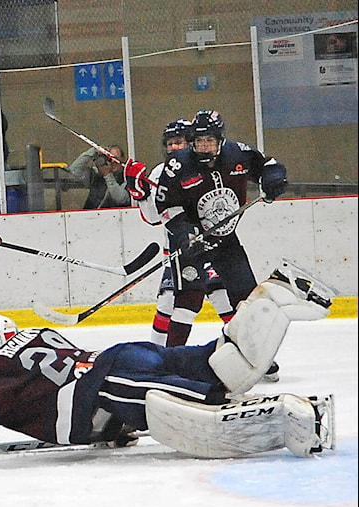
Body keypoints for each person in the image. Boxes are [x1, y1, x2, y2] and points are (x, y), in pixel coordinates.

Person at [0, 261, 335, 461]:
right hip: (121, 354)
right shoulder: (36, 336)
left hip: (104, 385)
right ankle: (270, 297)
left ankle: (264, 415)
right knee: (216, 361)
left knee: (188, 401)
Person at [127, 110, 288, 355]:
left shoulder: (238, 153)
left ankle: (252, 352)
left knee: (245, 297)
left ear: (220, 139)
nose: (204, 147)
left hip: (225, 240)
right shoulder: (177, 165)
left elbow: (267, 165)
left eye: (209, 141)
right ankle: (169, 358)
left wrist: (273, 178)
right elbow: (166, 206)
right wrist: (184, 232)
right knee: (187, 301)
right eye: (199, 142)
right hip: (192, 243)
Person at [126, 119, 235, 346]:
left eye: (180, 142)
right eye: (171, 143)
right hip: (178, 254)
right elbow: (154, 219)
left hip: (212, 249)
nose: (175, 147)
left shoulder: (210, 167)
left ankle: (249, 350)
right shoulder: (159, 172)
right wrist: (141, 194)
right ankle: (157, 355)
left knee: (223, 298)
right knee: (168, 302)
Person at [66, 144, 131, 210]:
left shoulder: (129, 177)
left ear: (123, 159)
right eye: (109, 158)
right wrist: (93, 151)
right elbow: (74, 170)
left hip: (115, 217)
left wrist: (107, 176)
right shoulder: (97, 174)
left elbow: (121, 199)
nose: (113, 161)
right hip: (89, 216)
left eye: (116, 158)